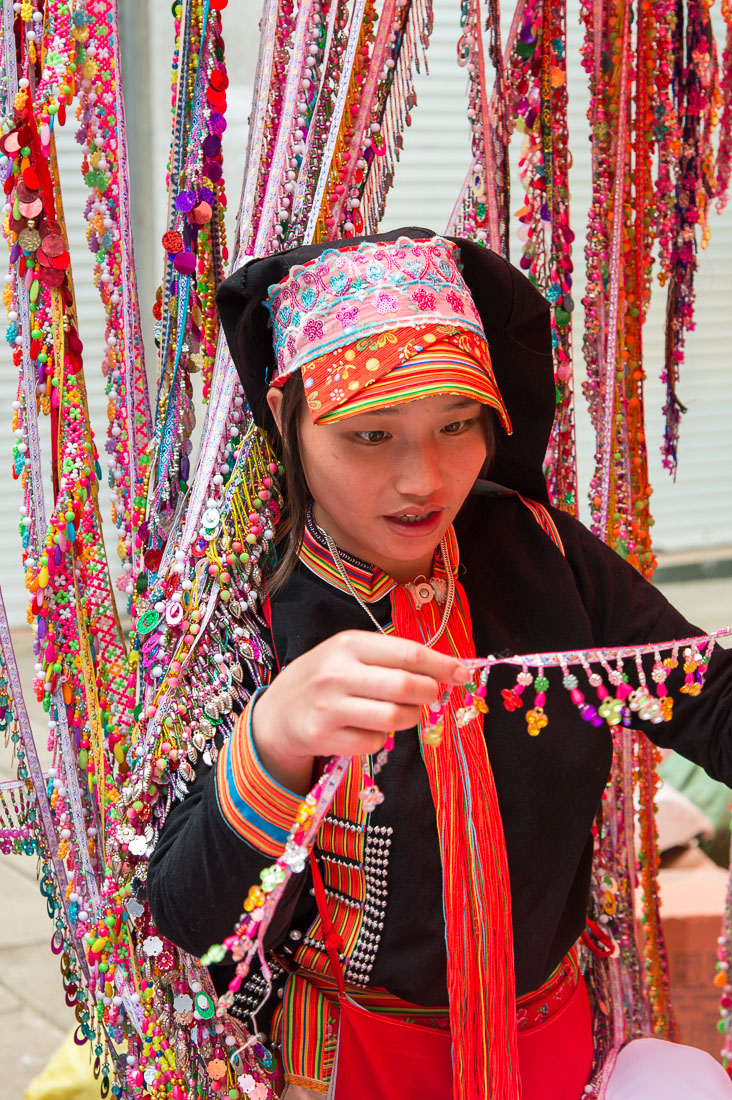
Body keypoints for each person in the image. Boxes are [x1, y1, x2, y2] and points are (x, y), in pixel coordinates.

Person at [147, 229, 732, 1099]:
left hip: (552, 1040)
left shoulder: (543, 556)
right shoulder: (252, 613)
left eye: (456, 425)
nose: (423, 479)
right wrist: (269, 738)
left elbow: (708, 700)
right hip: (359, 1064)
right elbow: (188, 916)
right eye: (371, 434)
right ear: (286, 421)